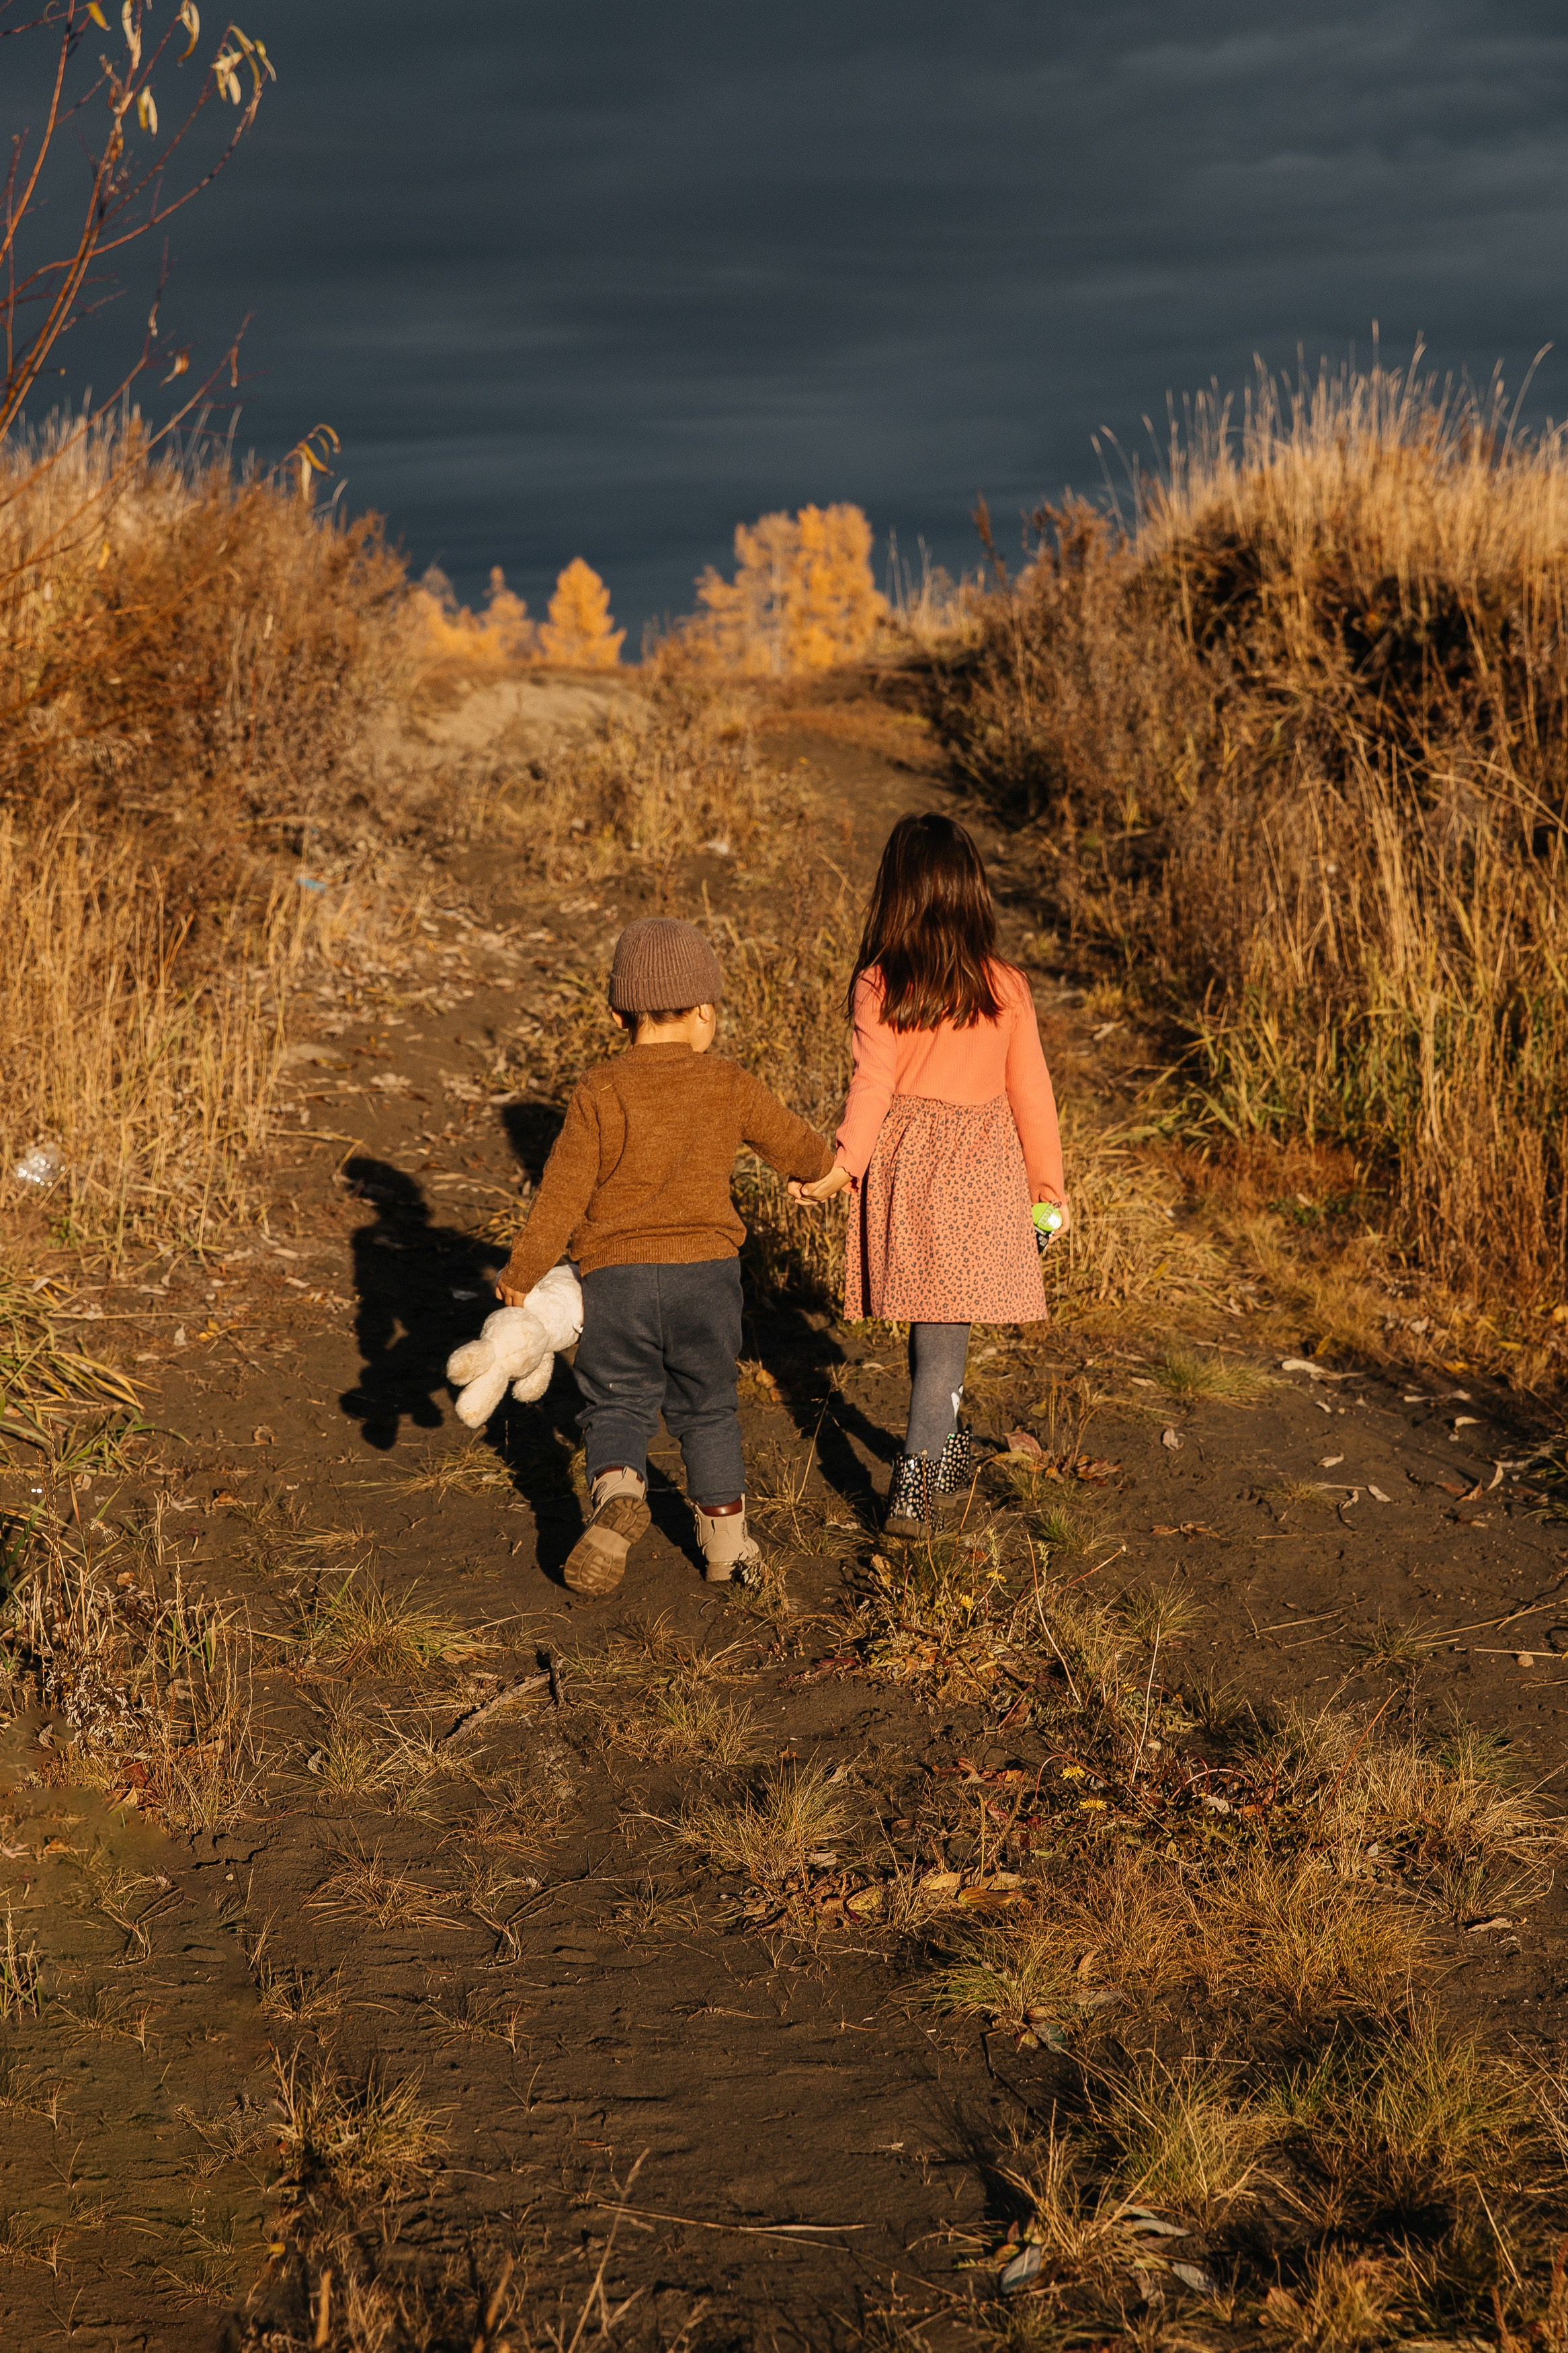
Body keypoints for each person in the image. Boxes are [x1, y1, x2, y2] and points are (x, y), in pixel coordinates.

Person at [495, 916, 833, 1594]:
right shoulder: (728, 1082)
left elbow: (560, 1193)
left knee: (616, 1402)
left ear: (619, 1012)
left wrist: (521, 1274)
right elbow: (797, 1145)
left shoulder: (598, 1089)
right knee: (707, 1408)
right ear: (704, 1009)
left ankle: (618, 1487)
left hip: (615, 1278)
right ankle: (726, 1549)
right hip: (705, 1279)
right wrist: (825, 1168)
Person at [791, 813, 1069, 1533]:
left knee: (939, 1319)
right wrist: (1046, 1189)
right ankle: (913, 1482)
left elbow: (871, 1086)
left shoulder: (880, 982)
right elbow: (1030, 1094)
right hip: (982, 1171)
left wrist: (843, 1164)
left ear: (897, 893)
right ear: (971, 892)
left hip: (911, 1169)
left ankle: (942, 1453)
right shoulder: (1004, 984)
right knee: (945, 1326)